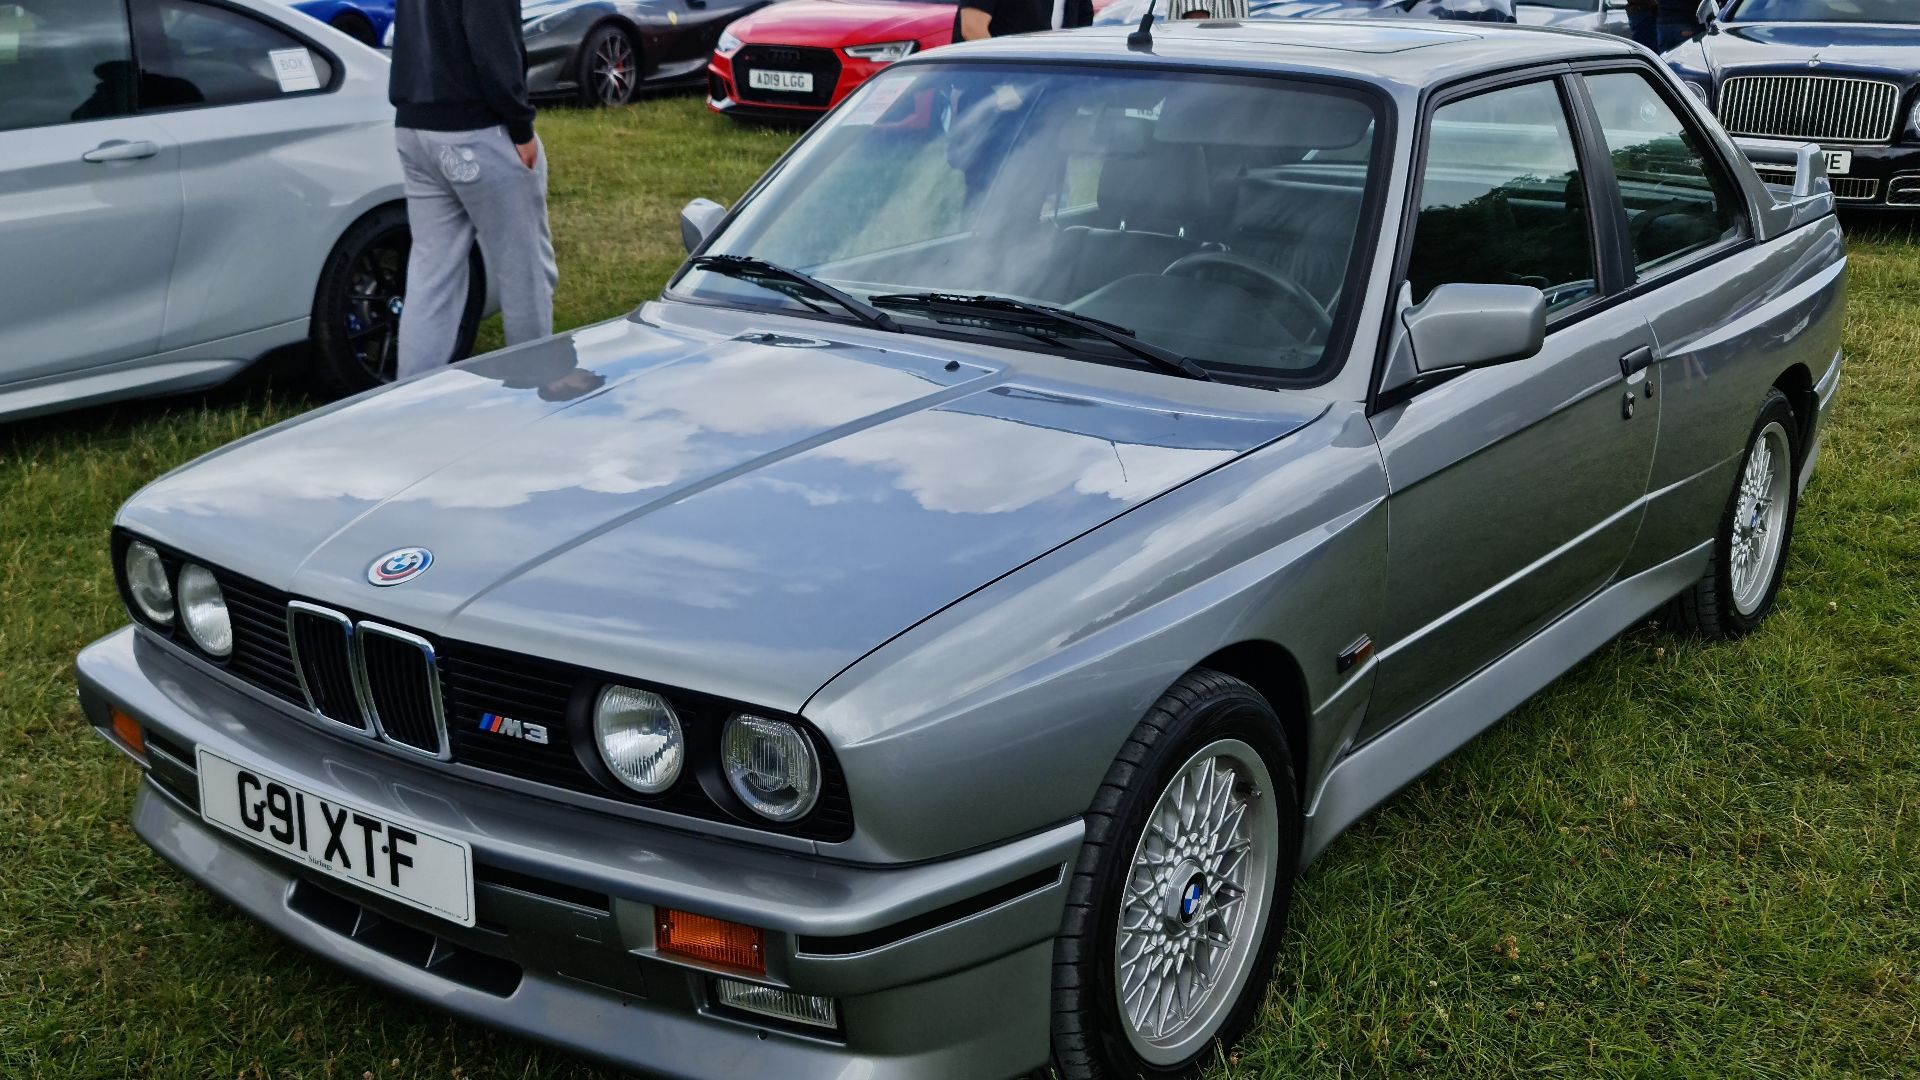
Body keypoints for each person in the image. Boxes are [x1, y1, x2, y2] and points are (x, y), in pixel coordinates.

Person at [388, 0, 558, 380]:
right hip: (477, 128)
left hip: (416, 126)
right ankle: (533, 391)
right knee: (524, 274)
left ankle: (409, 409)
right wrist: (521, 126)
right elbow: (490, 43)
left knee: (432, 280)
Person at [954, 0, 1093, 41]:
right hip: (989, 92)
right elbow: (972, 29)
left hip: (1043, 91)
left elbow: (1081, 33)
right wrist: (1003, 86)